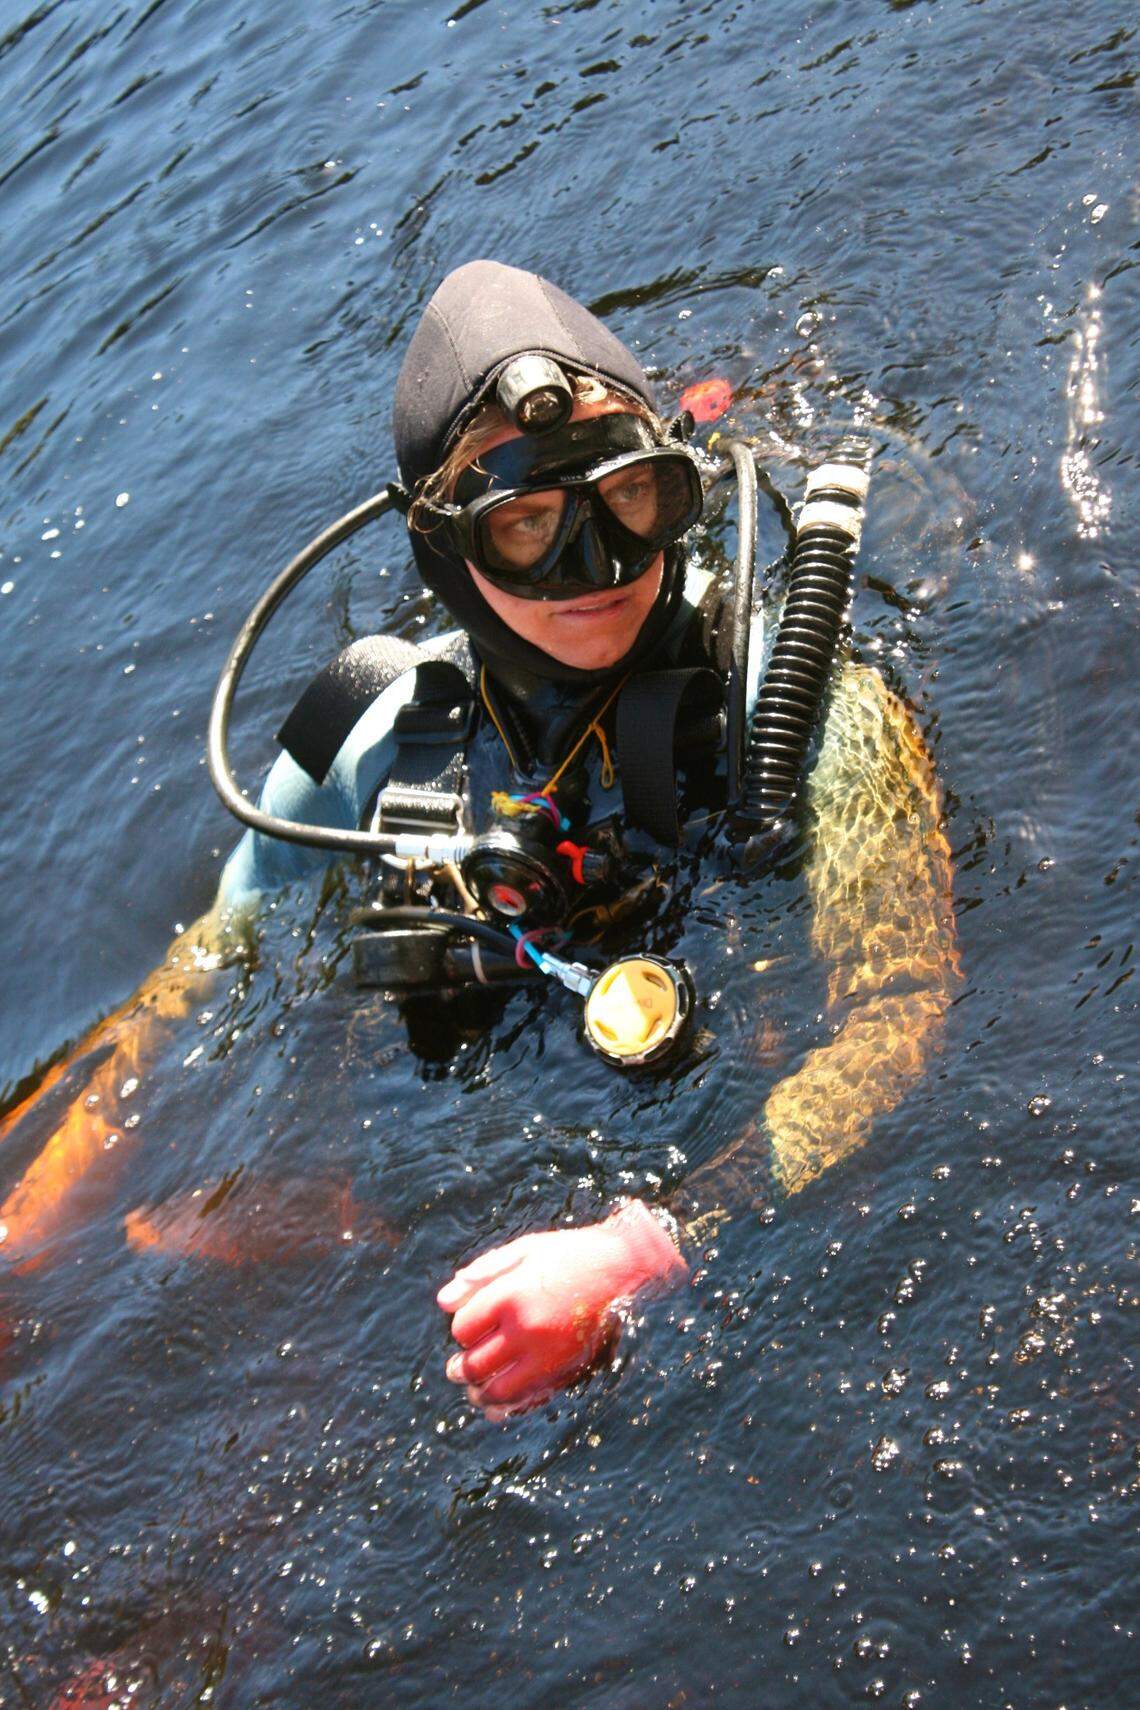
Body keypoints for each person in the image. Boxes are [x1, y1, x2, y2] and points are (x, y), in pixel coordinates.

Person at [0, 261, 959, 1419]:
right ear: (451, 556)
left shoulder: (805, 705)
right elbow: (218, 958)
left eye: (630, 500)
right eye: (526, 529)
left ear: (676, 484)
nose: (596, 567)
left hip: (713, 1190)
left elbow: (903, 1012)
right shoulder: (373, 726)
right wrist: (45, 1195)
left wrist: (652, 1248)